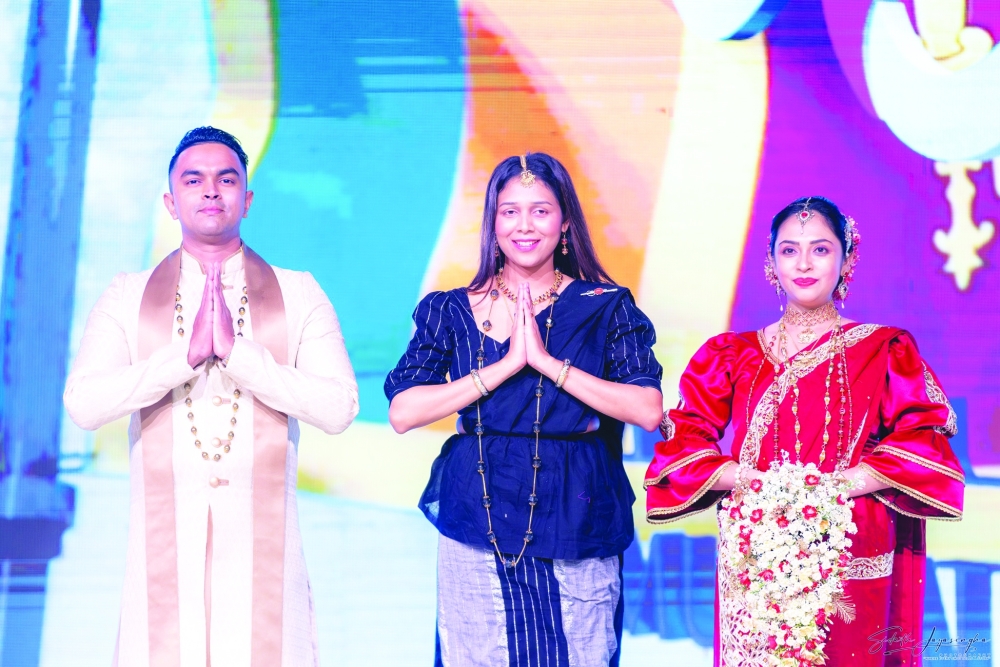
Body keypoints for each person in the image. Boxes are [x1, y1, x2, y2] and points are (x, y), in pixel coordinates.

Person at [63, 127, 359, 666]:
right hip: (162, 552)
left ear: (246, 199)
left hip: (266, 556)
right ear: (171, 203)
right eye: (193, 180)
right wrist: (184, 357)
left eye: (226, 179)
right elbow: (83, 404)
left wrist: (241, 356)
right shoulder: (127, 294)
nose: (210, 191)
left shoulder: (299, 291)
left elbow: (339, 408)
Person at [645, 196, 965, 666]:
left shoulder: (883, 349)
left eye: (820, 249)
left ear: (847, 257)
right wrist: (758, 484)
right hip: (756, 547)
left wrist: (833, 488)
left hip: (850, 542)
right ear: (771, 262)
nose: (804, 263)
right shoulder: (730, 354)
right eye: (789, 250)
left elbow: (924, 435)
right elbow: (684, 440)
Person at [385, 153, 664, 667]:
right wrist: (506, 366)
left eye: (540, 211)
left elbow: (646, 409)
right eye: (509, 212)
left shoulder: (606, 306)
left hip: (577, 514)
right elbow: (404, 411)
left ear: (564, 223)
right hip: (478, 513)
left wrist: (548, 364)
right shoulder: (449, 308)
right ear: (492, 223)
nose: (524, 226)